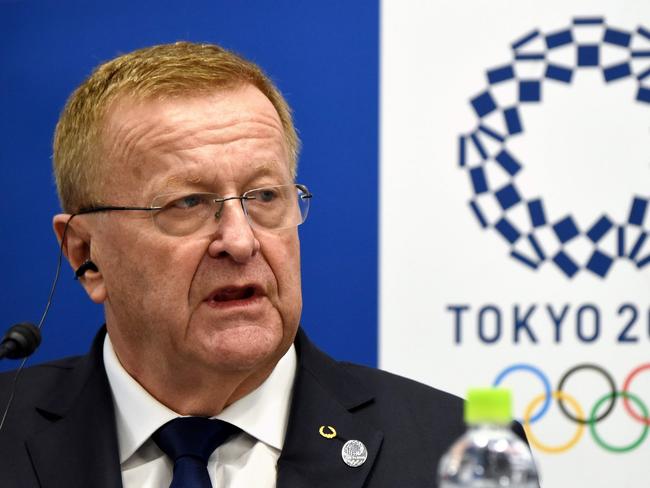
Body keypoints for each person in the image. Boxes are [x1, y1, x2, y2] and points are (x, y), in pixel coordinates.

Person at [0, 42, 466, 487]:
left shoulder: (451, 451)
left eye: (264, 196)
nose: (240, 242)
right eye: (187, 203)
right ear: (86, 255)